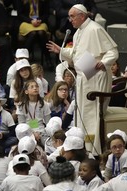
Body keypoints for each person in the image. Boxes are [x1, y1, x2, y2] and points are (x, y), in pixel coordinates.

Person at [47, 4, 118, 155]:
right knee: (82, 113)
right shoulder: (79, 31)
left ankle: (94, 149)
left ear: (82, 16)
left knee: (92, 113)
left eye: (72, 16)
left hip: (96, 77)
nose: (70, 19)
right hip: (84, 77)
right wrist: (61, 50)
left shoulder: (95, 29)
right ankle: (83, 145)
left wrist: (104, 62)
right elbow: (76, 53)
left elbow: (113, 51)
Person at [17, 0, 52, 68]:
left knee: (41, 33)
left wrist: (40, 20)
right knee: (33, 34)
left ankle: (48, 59)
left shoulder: (43, 1)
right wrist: (30, 21)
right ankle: (24, 58)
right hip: (26, 22)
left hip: (40, 23)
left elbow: (46, 14)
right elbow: (20, 14)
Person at [16, 79, 51, 147]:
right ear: (26, 91)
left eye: (36, 86)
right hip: (26, 132)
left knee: (48, 145)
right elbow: (21, 124)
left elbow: (48, 122)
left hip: (42, 131)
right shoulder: (21, 105)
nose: (35, 88)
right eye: (32, 87)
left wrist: (41, 133)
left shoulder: (44, 104)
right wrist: (32, 133)